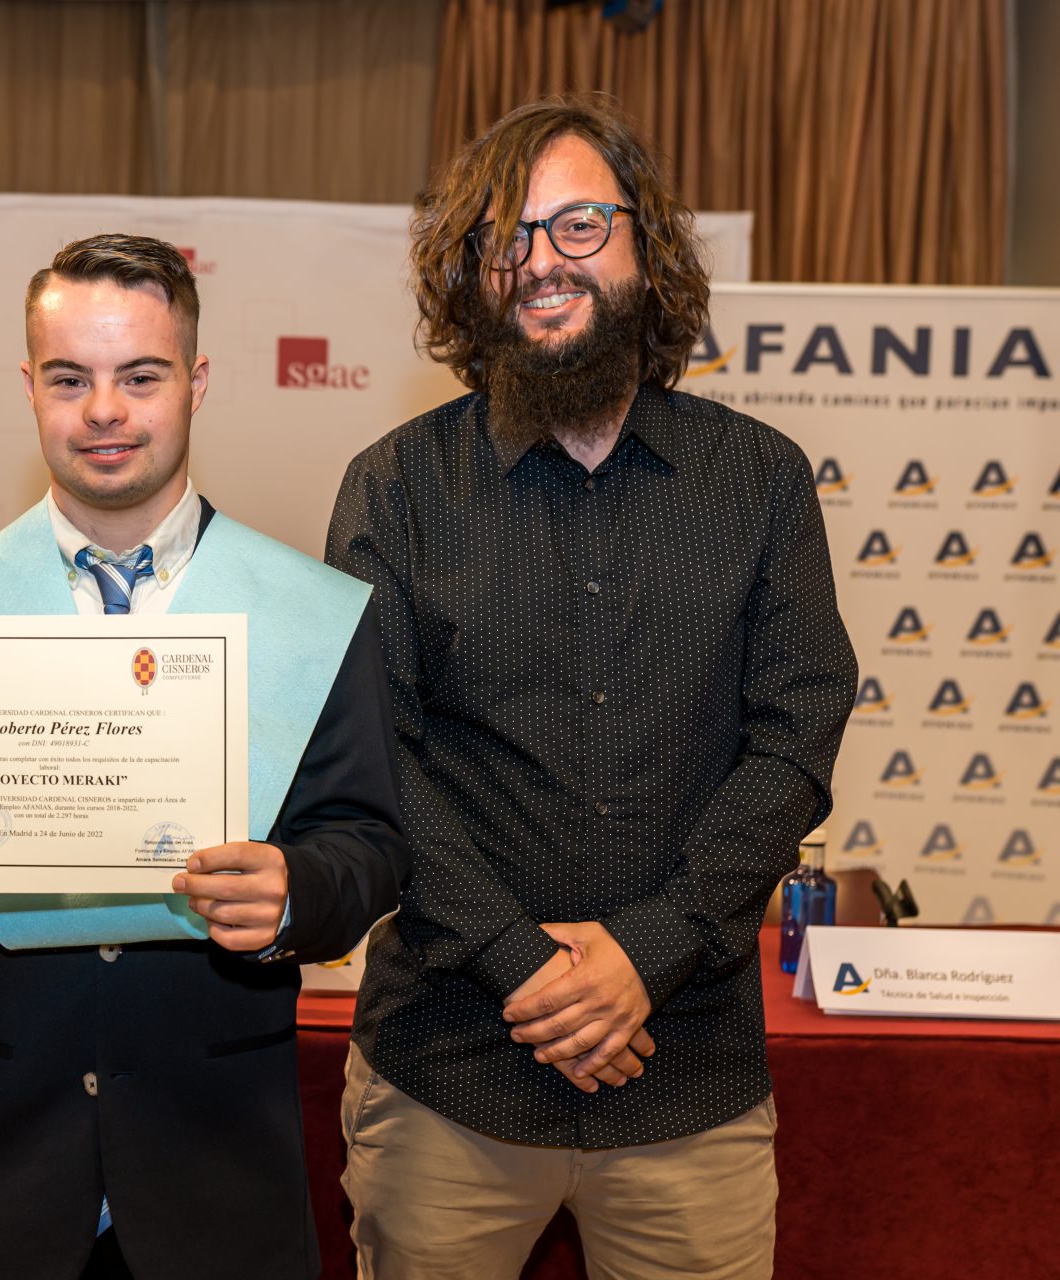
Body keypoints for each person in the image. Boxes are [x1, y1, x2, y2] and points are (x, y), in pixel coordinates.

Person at [327, 96, 857, 1279]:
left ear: (643, 247)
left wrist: (648, 951)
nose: (542, 263)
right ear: (469, 275)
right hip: (448, 1076)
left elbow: (796, 735)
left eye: (578, 226)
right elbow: (375, 751)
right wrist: (532, 967)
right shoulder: (397, 486)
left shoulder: (759, 481)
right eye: (506, 238)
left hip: (690, 1079)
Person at [0, 234, 407, 1279]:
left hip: (215, 1166)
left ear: (196, 381)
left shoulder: (308, 613)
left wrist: (296, 891)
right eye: (70, 378)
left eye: (140, 375)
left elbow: (370, 842)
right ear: (30, 387)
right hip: (0, 1174)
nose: (104, 410)